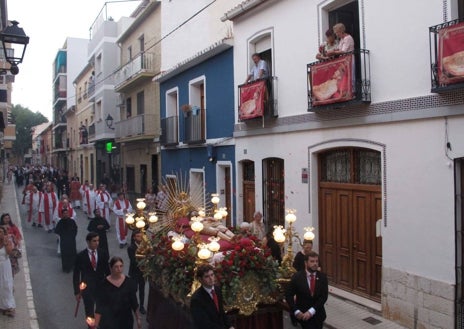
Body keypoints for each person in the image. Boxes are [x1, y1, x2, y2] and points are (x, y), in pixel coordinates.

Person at [94, 256, 142, 329]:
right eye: (116, 267)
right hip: (109, 322)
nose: (119, 269)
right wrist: (96, 324)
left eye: (121, 266)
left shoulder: (129, 282)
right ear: (111, 268)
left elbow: (134, 302)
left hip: (126, 321)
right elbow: (99, 307)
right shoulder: (103, 285)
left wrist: (138, 318)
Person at [285, 251, 328, 329]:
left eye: (316, 261)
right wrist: (296, 311)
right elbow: (288, 295)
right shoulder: (297, 277)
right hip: (303, 316)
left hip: (318, 314)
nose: (315, 264)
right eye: (312, 261)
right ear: (306, 263)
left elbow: (324, 296)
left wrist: (311, 311)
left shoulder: (322, 277)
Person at [73, 232, 110, 321]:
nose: (97, 243)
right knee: (89, 311)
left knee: (101, 309)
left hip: (101, 286)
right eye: (94, 241)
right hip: (87, 288)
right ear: (88, 242)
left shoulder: (103, 253)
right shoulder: (81, 256)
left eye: (98, 240)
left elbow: (107, 271)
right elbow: (76, 275)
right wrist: (77, 292)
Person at [190, 264, 234, 329]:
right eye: (207, 276)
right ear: (200, 279)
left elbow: (221, 312)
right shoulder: (196, 299)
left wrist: (230, 326)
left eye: (212, 275)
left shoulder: (217, 289)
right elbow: (204, 323)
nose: (211, 278)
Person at [127, 230, 146, 314]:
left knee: (142, 290)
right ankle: (134, 305)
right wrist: (144, 257)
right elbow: (133, 260)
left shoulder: (145, 245)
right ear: (134, 237)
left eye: (141, 236)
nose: (140, 238)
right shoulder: (131, 248)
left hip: (142, 273)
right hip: (134, 272)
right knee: (134, 289)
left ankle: (141, 306)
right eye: (138, 236)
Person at [54, 208, 78, 273]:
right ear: (62, 214)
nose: (66, 214)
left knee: (72, 253)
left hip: (71, 240)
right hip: (64, 241)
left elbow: (75, 229)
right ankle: (66, 267)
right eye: (64, 213)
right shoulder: (60, 222)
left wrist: (72, 236)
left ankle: (73, 265)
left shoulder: (72, 221)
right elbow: (57, 231)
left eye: (67, 213)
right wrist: (63, 235)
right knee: (65, 254)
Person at [0, 226, 15, 317]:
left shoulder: (7, 241)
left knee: (6, 285)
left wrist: (5, 243)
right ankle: (2, 306)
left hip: (5, 266)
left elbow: (10, 253)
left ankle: (9, 307)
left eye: (1, 232)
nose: (0, 234)